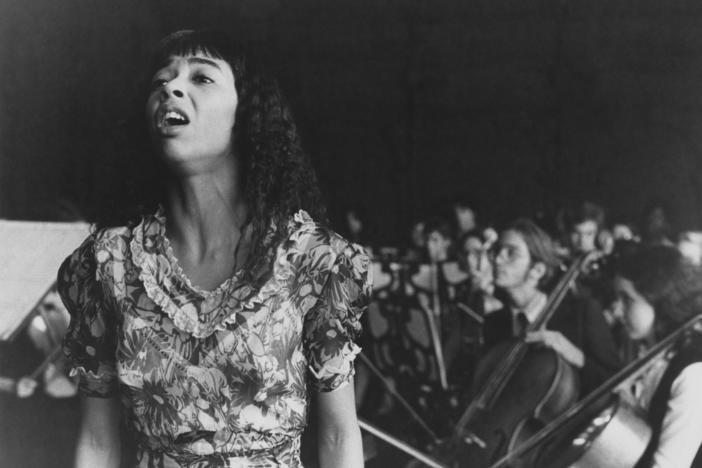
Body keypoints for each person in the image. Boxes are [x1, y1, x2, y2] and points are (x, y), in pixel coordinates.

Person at [58, 29, 371, 468]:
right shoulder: (106, 264)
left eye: (202, 77)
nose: (170, 86)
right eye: (160, 81)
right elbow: (96, 441)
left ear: (247, 114)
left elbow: (339, 435)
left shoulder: (312, 259)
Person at [483, 218, 621, 395]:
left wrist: (572, 353)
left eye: (511, 253)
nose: (498, 259)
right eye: (497, 251)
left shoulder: (582, 312)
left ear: (537, 270)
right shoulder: (493, 323)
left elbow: (618, 385)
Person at [611, 245, 702, 467]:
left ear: (662, 301)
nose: (616, 310)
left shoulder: (693, 373)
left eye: (628, 299)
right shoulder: (653, 350)